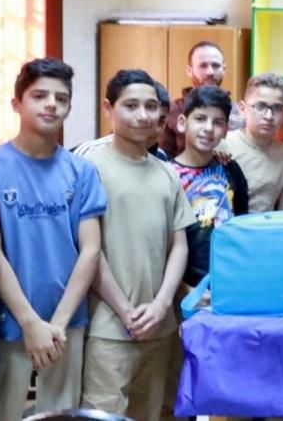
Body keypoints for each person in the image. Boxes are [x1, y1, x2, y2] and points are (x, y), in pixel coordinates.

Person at [0, 59, 107, 421]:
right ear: (17, 103)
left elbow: (91, 249)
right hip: (9, 320)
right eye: (40, 96)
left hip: (67, 321)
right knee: (3, 412)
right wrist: (30, 322)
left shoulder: (81, 171)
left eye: (61, 99)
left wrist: (59, 323)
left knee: (61, 414)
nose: (51, 105)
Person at [81, 69, 194, 419]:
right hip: (109, 326)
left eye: (150, 106)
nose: (143, 115)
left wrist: (161, 305)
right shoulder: (89, 167)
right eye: (130, 106)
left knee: (153, 412)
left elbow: (179, 245)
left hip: (160, 325)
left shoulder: (166, 172)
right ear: (108, 108)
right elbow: (89, 249)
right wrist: (125, 311)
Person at [171, 85, 249, 287]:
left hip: (229, 281)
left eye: (217, 122)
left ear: (225, 130)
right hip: (182, 286)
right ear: (182, 123)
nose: (208, 128)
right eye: (200, 119)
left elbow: (241, 225)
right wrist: (182, 289)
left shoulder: (231, 170)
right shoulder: (168, 175)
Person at [219, 72, 283, 212]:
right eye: (260, 106)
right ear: (242, 109)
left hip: (266, 224)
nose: (269, 116)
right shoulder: (223, 144)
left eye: (277, 108)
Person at [158, 40, 235, 158]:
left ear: (224, 69)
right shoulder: (172, 111)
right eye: (203, 66)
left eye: (216, 66)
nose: (210, 72)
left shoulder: (238, 113)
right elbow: (163, 159)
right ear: (189, 70)